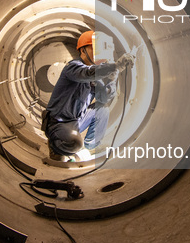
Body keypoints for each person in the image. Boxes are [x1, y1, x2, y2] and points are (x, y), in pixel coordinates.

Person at [42, 30, 134, 161]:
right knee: (73, 142)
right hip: (59, 122)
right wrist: (115, 66)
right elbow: (87, 73)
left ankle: (91, 146)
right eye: (94, 48)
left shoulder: (95, 77)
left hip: (77, 120)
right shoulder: (73, 67)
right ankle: (55, 143)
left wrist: (114, 77)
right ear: (82, 50)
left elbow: (105, 98)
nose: (98, 53)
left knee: (102, 109)